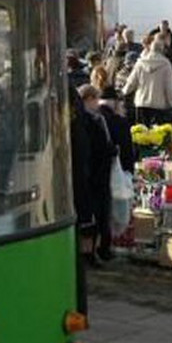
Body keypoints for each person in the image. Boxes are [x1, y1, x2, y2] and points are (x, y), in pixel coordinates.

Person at [76, 84, 117, 263]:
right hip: (95, 173)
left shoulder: (92, 120)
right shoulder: (91, 122)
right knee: (96, 212)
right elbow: (97, 148)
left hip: (93, 172)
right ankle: (94, 250)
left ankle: (96, 249)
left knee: (97, 212)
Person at [122, 37, 172, 126]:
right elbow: (169, 86)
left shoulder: (140, 63)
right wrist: (171, 103)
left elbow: (132, 82)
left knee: (141, 134)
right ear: (162, 49)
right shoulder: (166, 65)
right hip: (159, 105)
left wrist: (124, 92)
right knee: (158, 135)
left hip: (141, 103)